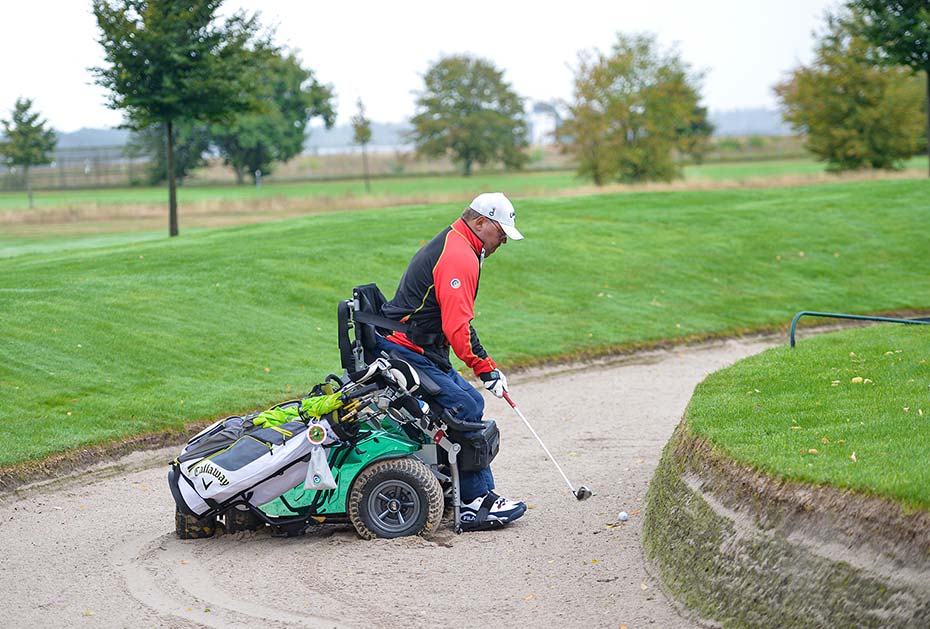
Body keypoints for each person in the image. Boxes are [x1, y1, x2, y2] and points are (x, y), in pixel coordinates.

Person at [376, 192, 527, 531]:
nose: (503, 239)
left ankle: (470, 494)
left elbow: (456, 325)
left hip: (417, 348)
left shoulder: (460, 243)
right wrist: (485, 368)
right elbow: (457, 329)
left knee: (466, 402)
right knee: (465, 405)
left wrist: (486, 365)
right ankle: (474, 502)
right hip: (405, 350)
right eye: (500, 231)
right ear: (480, 222)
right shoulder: (460, 255)